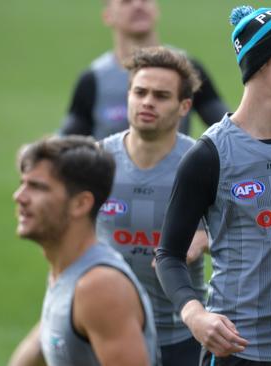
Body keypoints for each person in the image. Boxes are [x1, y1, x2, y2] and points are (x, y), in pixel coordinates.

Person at [155, 5, 271, 365]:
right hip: (235, 350)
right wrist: (195, 315)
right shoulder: (209, 156)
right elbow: (168, 255)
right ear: (262, 61)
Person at [96, 46, 208, 366]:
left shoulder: (202, 163)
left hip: (181, 335)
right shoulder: (97, 163)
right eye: (140, 92)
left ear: (184, 106)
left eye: (161, 96)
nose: (147, 102)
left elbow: (242, 233)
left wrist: (207, 239)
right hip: (110, 331)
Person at [8, 136, 158, 366]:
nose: (19, 196)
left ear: (80, 204)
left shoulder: (99, 286)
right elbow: (42, 341)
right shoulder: (68, 269)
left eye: (37, 187)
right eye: (23, 183)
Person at [59, 0, 227, 140]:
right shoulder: (93, 79)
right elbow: (65, 144)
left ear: (156, 9)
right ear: (108, 15)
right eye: (126, 2)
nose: (138, 5)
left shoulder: (187, 68)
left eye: (145, 0)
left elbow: (226, 127)